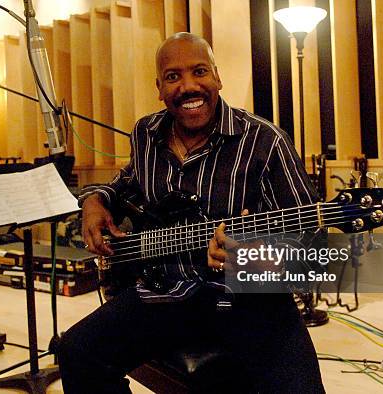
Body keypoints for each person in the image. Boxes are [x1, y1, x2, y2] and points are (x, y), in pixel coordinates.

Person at [57, 32, 325, 393]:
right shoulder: (146, 133)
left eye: (199, 72)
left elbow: (310, 245)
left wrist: (260, 256)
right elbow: (127, 181)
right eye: (173, 76)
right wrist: (95, 199)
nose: (188, 86)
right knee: (76, 352)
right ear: (159, 87)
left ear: (217, 77)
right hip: (165, 290)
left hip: (247, 300)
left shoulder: (265, 141)